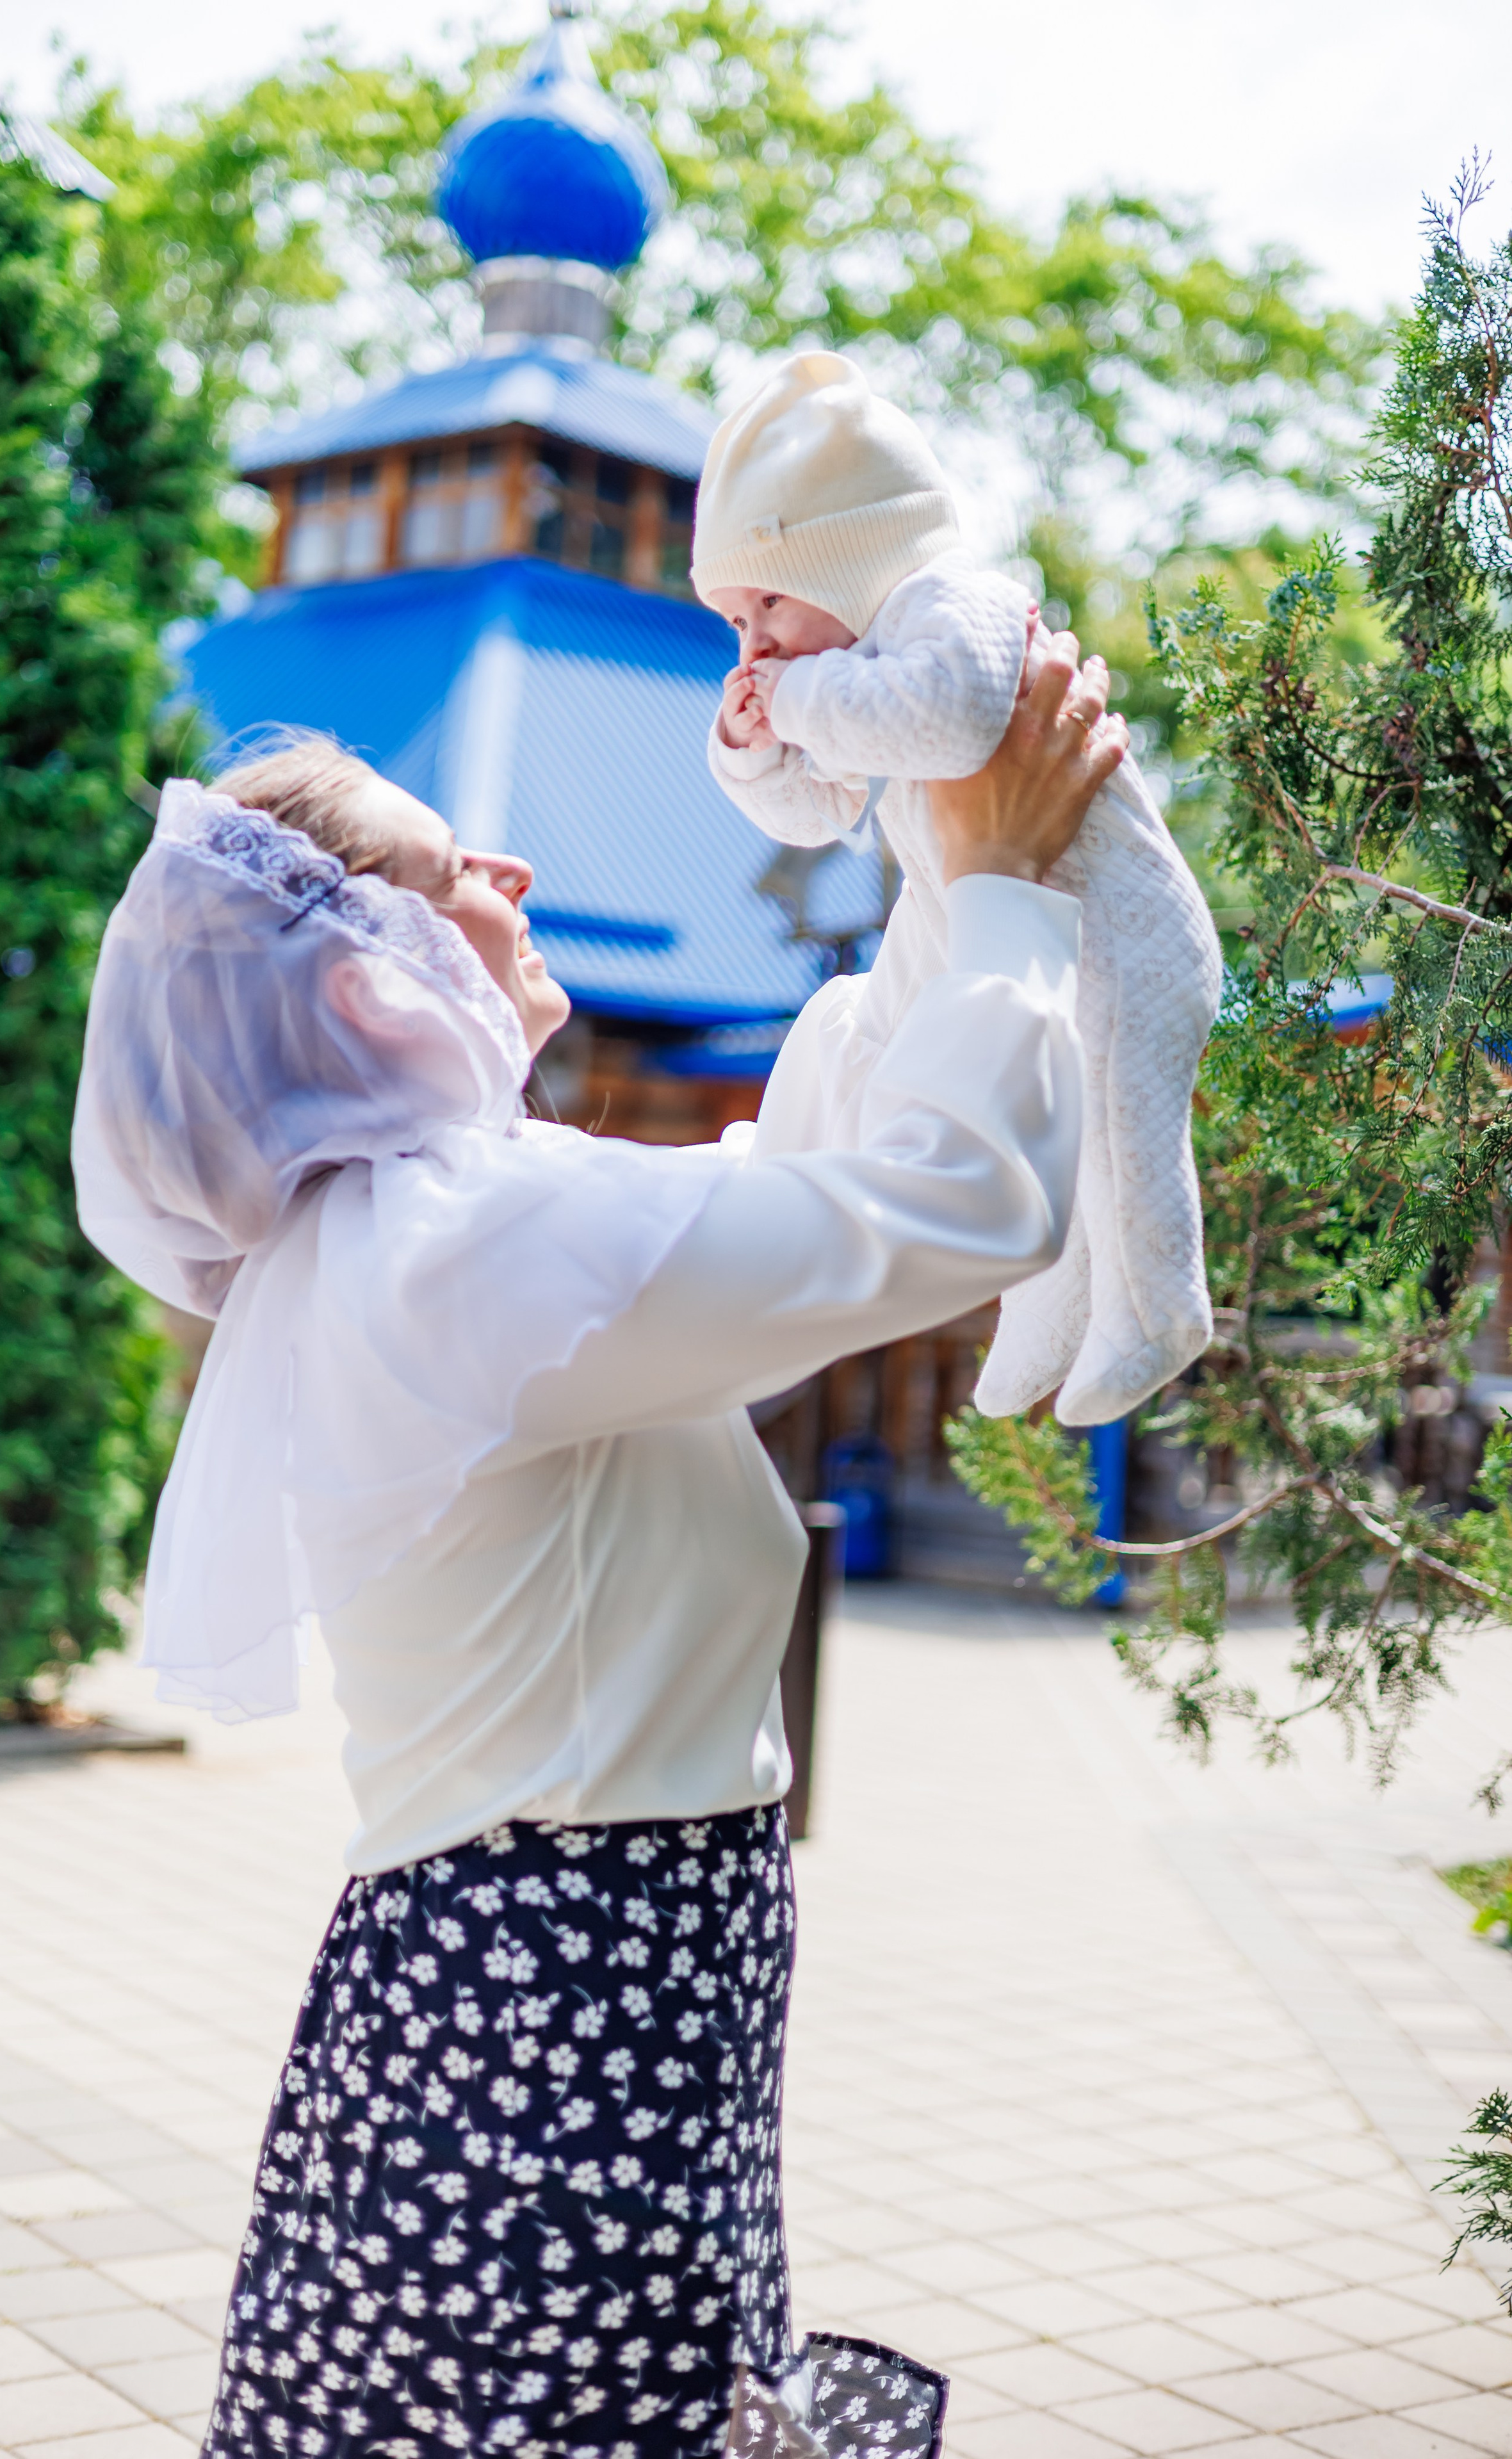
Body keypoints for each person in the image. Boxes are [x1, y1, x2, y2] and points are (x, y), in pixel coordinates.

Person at [70, 652, 1125, 2459]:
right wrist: (1011, 883)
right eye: (455, 862)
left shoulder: (420, 1234)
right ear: (361, 972)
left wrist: (925, 825)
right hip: (563, 2011)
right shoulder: (452, 1246)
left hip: (529, 1993)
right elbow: (944, 1212)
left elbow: (784, 1205)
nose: (519, 875)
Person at [695, 351, 1222, 1432]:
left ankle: (1159, 1306)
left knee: (1122, 1134)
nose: (753, 649)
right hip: (1004, 920)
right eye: (738, 631)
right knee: (1016, 1115)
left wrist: (796, 695)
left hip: (1125, 934)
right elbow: (817, 813)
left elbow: (954, 717)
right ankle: (1043, 1309)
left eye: (762, 609)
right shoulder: (866, 674)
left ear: (843, 556)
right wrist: (753, 746)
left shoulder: (956, 605)